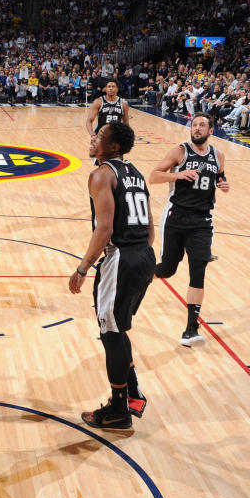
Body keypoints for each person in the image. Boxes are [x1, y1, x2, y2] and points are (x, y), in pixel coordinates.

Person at [68, 122, 155, 429]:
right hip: (144, 256)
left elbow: (104, 229)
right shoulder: (136, 173)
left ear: (114, 146)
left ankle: (119, 409)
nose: (94, 139)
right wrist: (139, 256)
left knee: (110, 332)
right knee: (119, 327)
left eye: (101, 136)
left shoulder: (102, 174)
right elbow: (150, 229)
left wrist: (83, 268)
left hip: (122, 259)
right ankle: (132, 392)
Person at [148, 112, 230, 347]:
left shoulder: (219, 156)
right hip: (176, 216)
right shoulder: (180, 151)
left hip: (202, 221)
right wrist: (179, 174)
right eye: (194, 125)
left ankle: (190, 330)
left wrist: (223, 184)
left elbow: (219, 178)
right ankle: (140, 279)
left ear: (211, 131)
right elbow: (153, 176)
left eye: (202, 125)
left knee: (198, 269)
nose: (197, 128)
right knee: (167, 269)